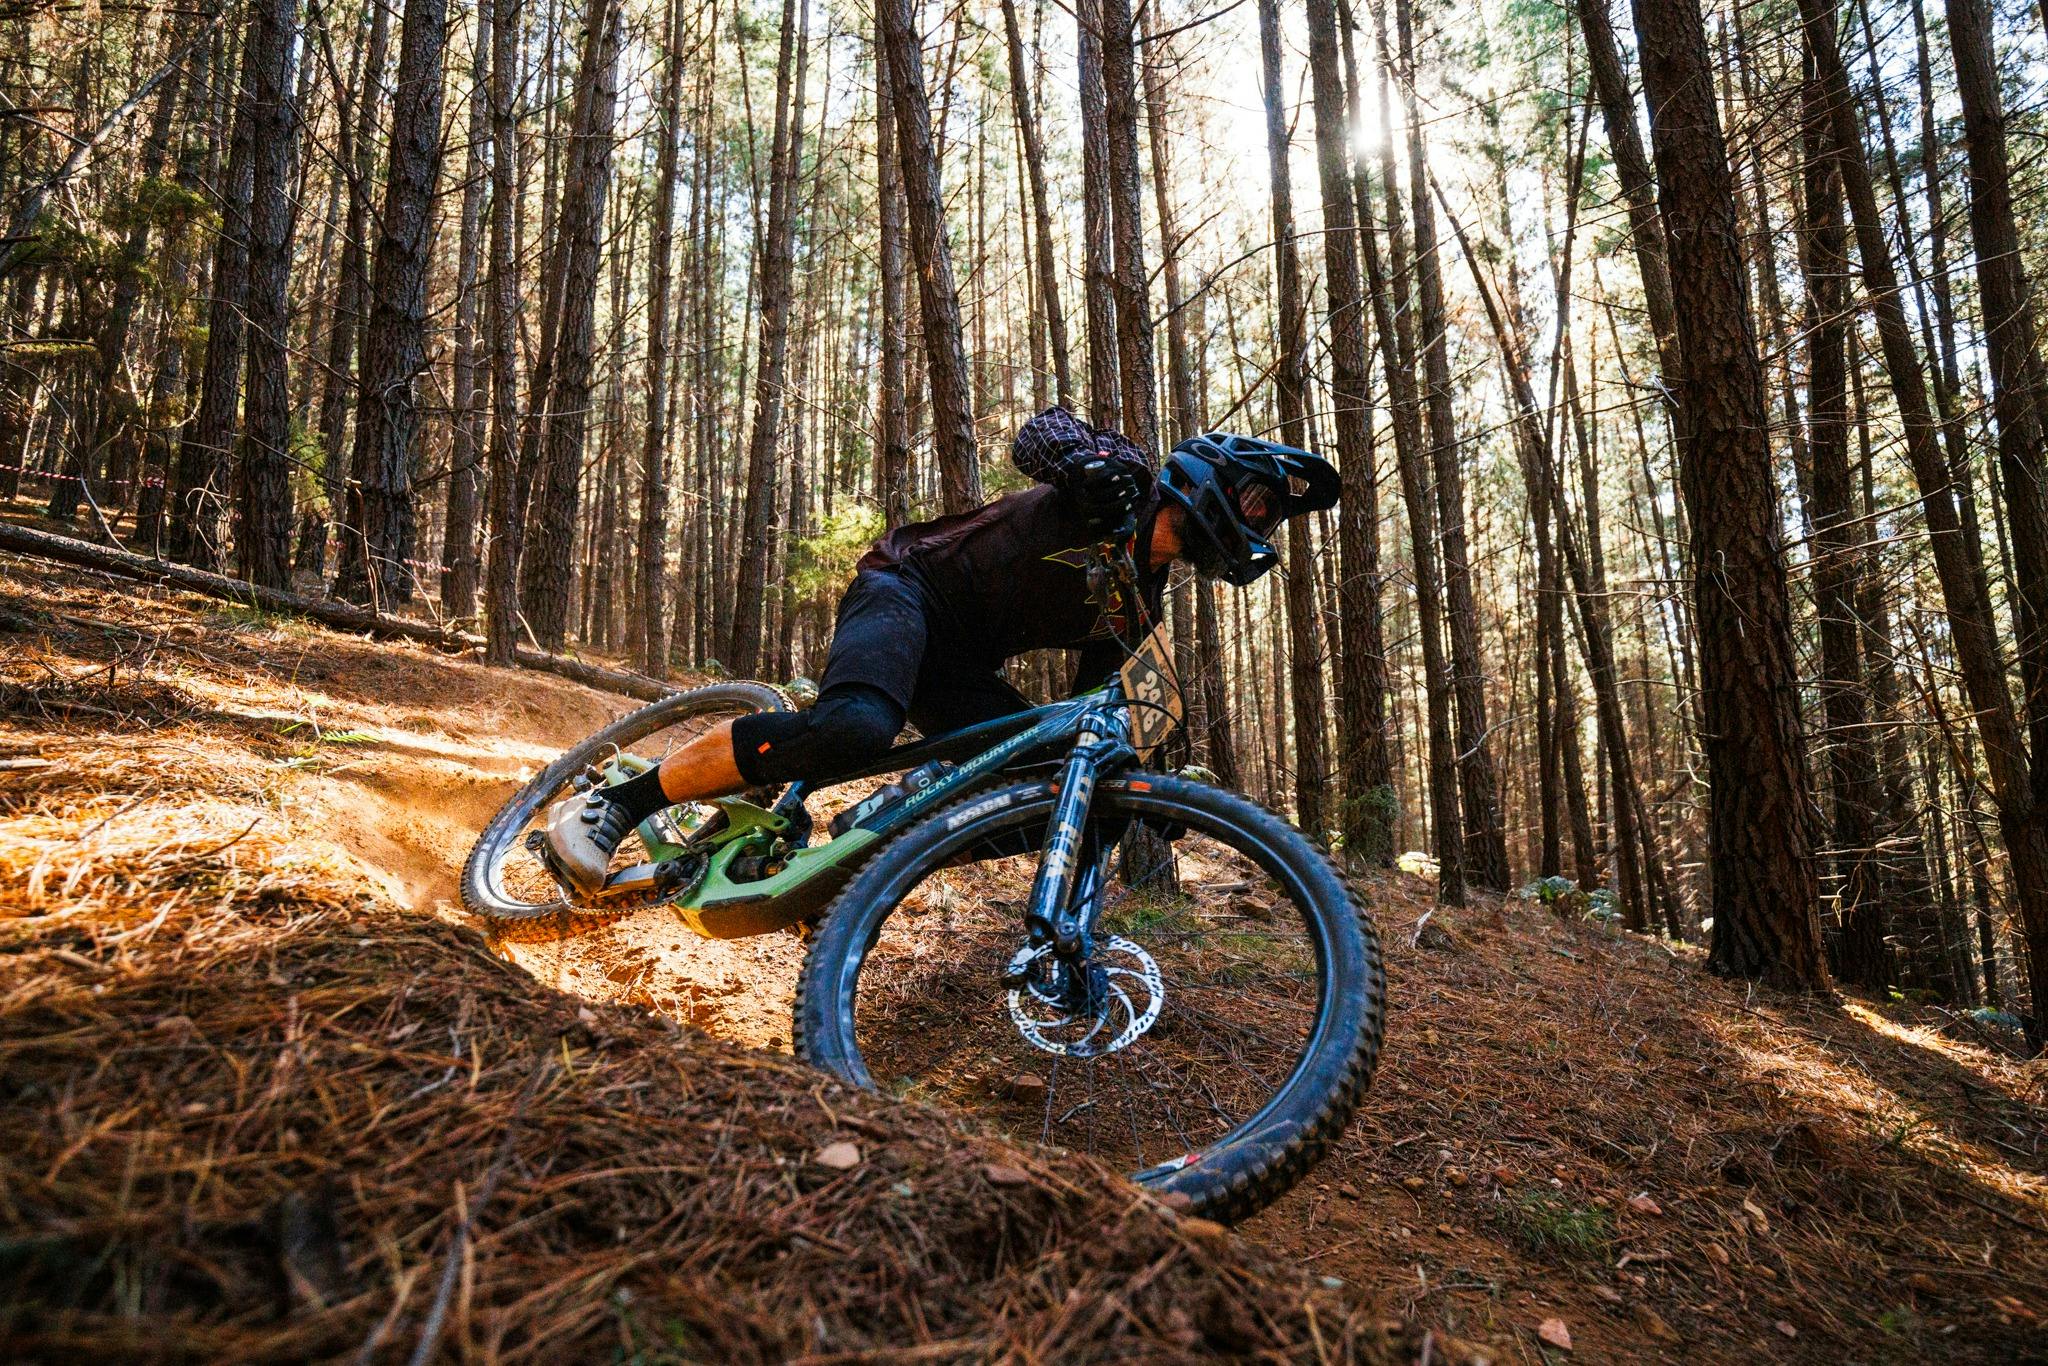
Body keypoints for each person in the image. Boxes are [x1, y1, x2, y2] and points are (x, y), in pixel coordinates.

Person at [544, 405, 1340, 894]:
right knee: (857, 726)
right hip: (906, 592)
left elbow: (1092, 716)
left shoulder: (1138, 605)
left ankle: (878, 846)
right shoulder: (1122, 480)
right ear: (1205, 482)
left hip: (958, 666)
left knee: (1066, 795)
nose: (1261, 524)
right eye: (1257, 504)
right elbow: (1045, 434)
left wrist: (1144, 786)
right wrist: (1081, 467)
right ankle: (618, 804)